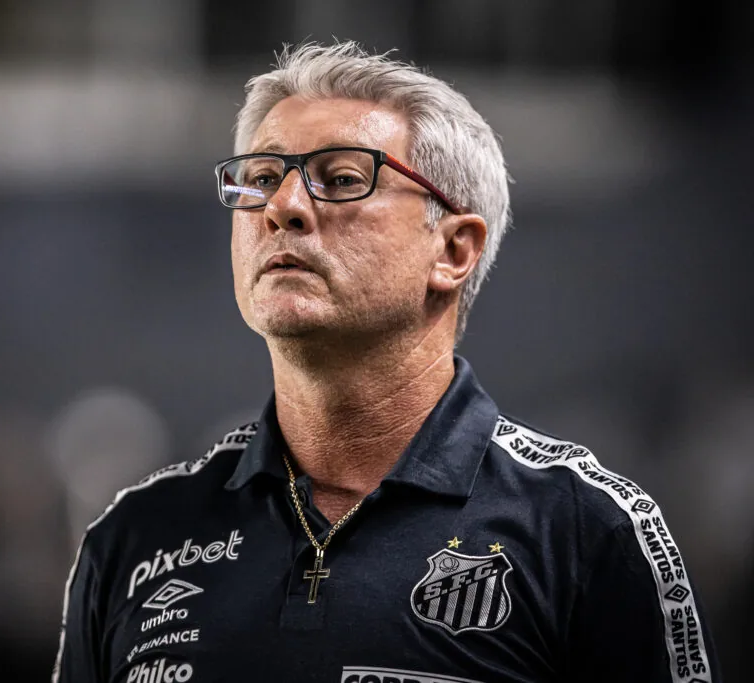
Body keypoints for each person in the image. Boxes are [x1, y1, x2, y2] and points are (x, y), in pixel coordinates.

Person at [52, 41, 720, 683]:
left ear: (453, 250)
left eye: (341, 178)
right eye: (261, 179)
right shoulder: (133, 537)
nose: (282, 208)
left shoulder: (587, 533)